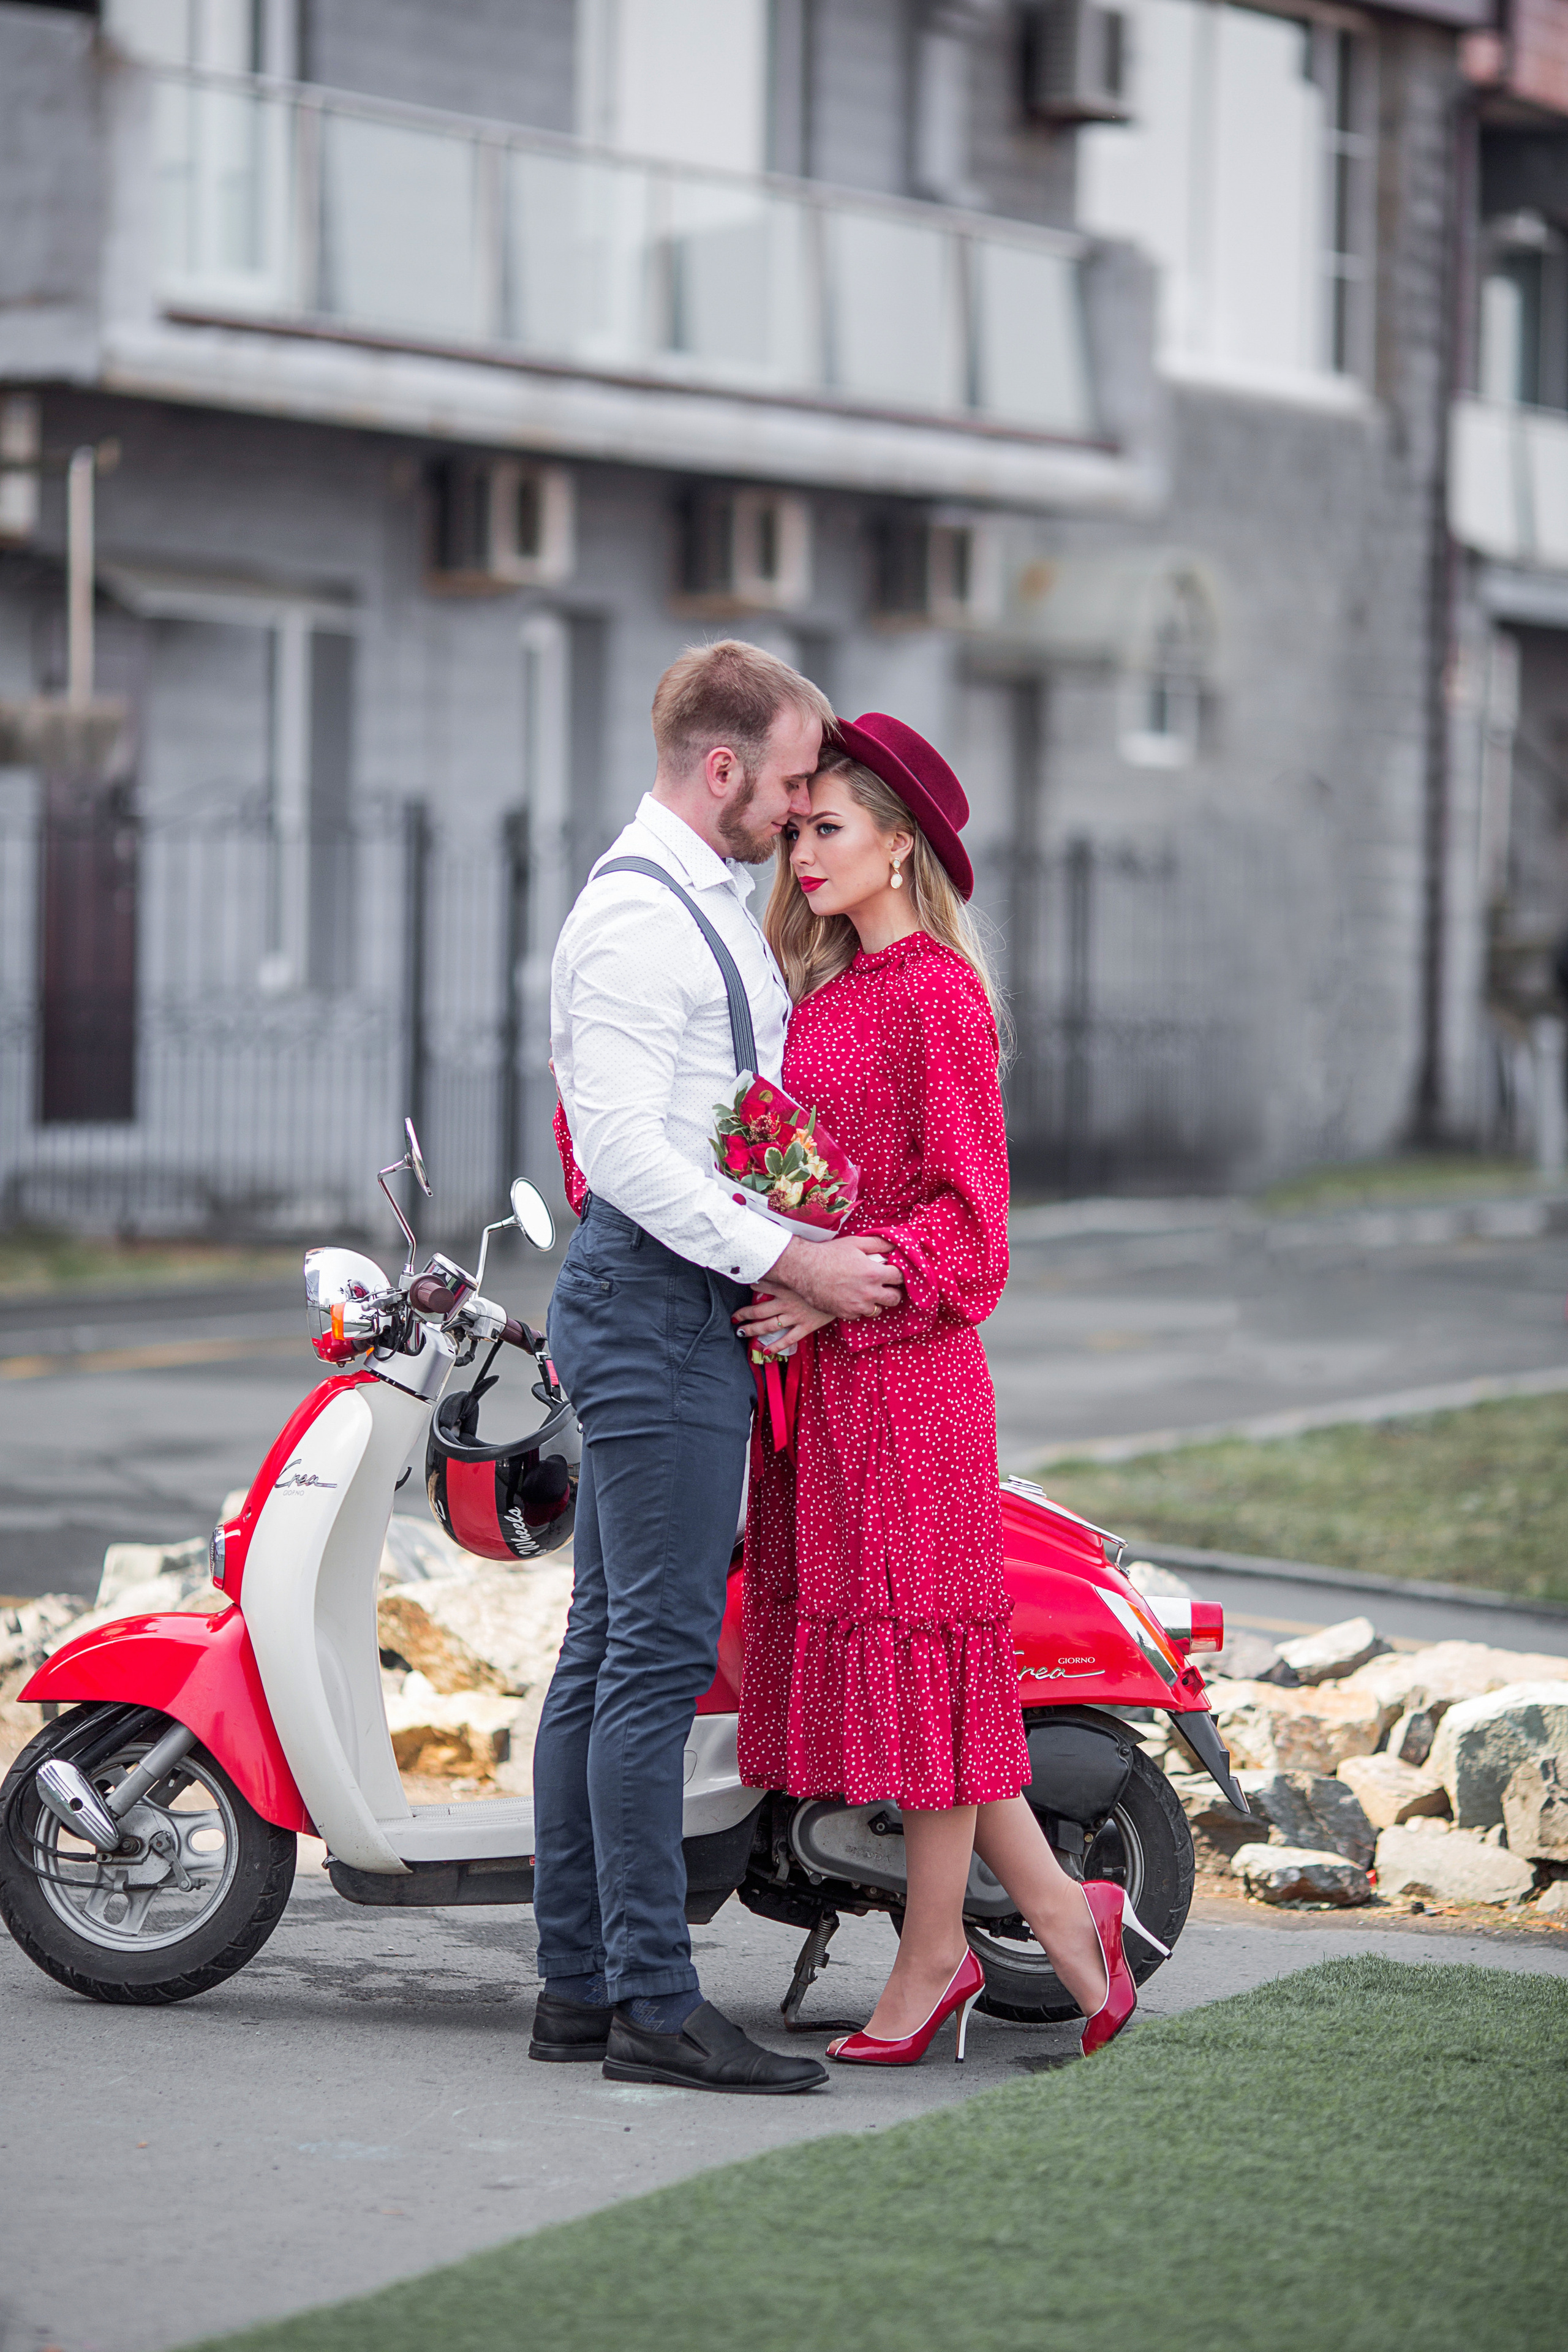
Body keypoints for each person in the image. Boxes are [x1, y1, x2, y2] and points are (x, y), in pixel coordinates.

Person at [733, 714, 1156, 2065]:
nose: (801, 852)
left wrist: (830, 1280)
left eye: (828, 829)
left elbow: (976, 1232)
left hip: (906, 1381)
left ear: (899, 843)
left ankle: (937, 1955)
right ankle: (1043, 1918)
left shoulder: (936, 997)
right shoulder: (823, 994)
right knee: (928, 1691)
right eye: (795, 830)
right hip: (820, 1394)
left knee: (927, 1676)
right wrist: (779, 1253)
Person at [533, 641, 904, 2095]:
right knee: (652, 1666)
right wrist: (791, 1259)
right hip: (653, 1306)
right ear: (725, 766)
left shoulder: (704, 904)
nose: (803, 804)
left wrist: (792, 1195)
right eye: (796, 775)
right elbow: (624, 1155)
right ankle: (650, 2005)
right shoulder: (638, 921)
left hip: (666, 1302)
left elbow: (708, 1112)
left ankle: (580, 1990)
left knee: (605, 1656)